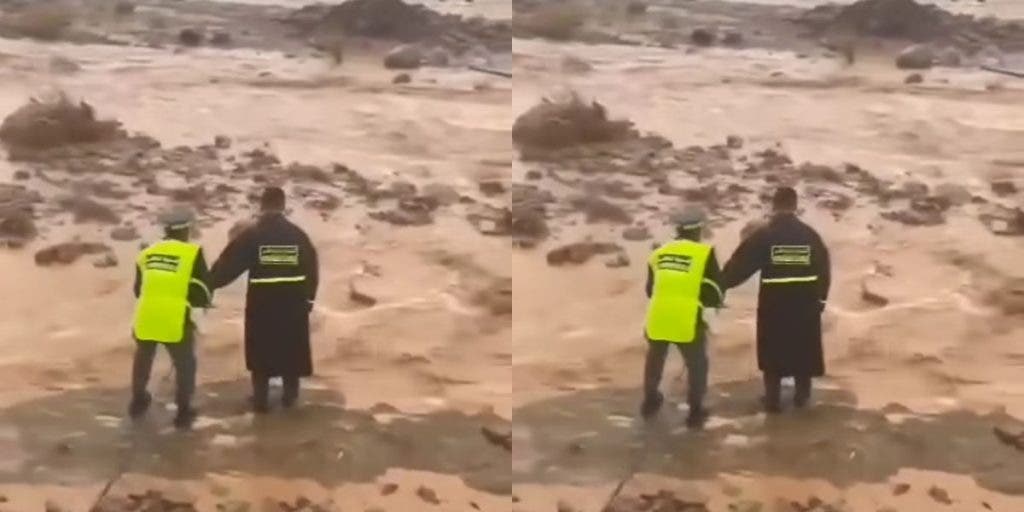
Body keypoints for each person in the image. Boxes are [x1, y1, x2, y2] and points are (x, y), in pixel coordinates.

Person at [721, 186, 831, 413]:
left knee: (773, 351)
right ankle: (802, 398)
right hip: (805, 303)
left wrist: (718, 283)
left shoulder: (765, 235)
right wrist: (821, 300)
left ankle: (772, 400)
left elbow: (741, 265)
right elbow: (824, 269)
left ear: (774, 205)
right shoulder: (811, 236)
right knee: (804, 350)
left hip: (775, 304)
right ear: (795, 206)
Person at [210, 187, 319, 413]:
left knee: (261, 352)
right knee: (292, 351)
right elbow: (312, 269)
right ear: (283, 206)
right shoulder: (299, 236)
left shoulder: (252, 235)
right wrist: (309, 300)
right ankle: (290, 399)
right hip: (293, 305)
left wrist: (206, 283)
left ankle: (260, 400)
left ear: (262, 206)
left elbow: (228, 267)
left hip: (263, 305)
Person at [129, 207, 213, 430]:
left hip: (146, 315)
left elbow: (138, 289)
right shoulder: (192, 253)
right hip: (176, 318)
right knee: (186, 364)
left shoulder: (147, 253)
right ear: (185, 230)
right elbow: (203, 290)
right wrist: (199, 310)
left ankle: (138, 401)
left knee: (143, 358)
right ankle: (183, 412)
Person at [642, 206, 724, 429]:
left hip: (658, 316)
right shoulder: (704, 254)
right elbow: (715, 290)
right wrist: (711, 311)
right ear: (698, 230)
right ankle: (695, 411)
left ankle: (650, 401)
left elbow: (650, 289)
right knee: (698, 364)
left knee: (655, 359)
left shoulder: (658, 253)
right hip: (688, 319)